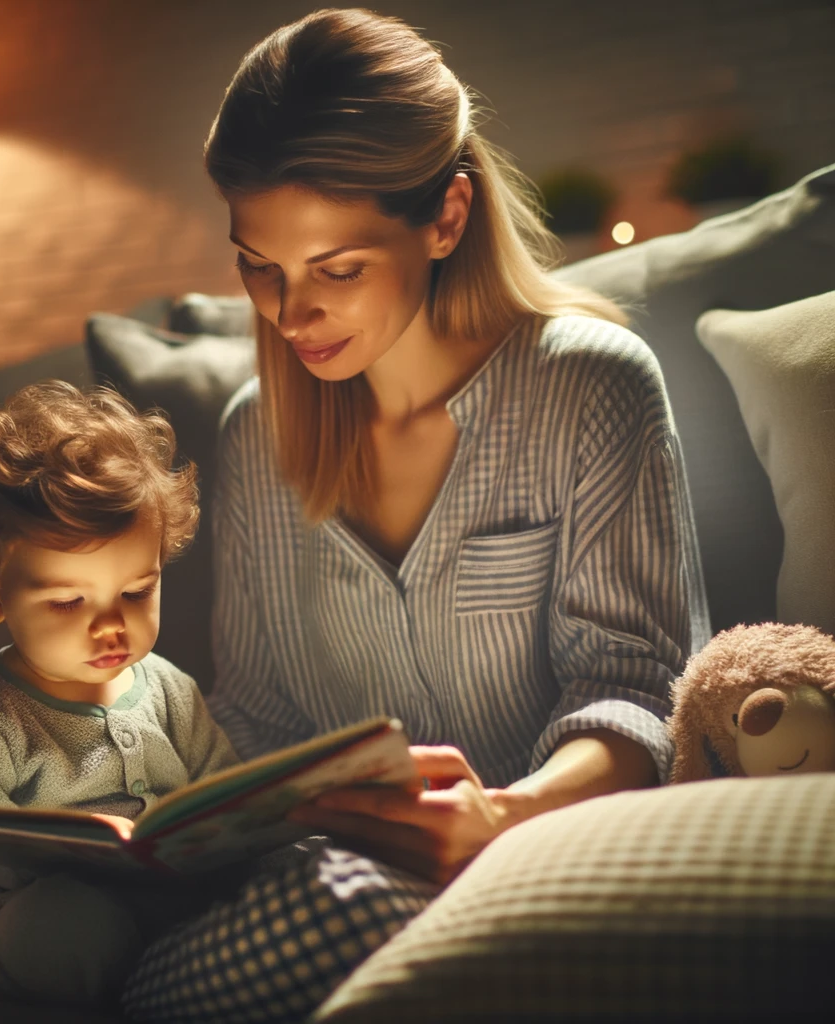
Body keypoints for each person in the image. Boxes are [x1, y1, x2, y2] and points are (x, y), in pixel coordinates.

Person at [194, 6, 710, 888]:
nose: (289, 314)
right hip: (320, 876)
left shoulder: (593, 387)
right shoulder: (255, 434)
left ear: (446, 217)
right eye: (259, 266)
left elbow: (638, 688)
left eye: (338, 269)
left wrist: (502, 819)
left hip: (548, 860)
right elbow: (255, 716)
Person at [0, 381, 434, 1021]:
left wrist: (270, 833)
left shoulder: (168, 688)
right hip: (36, 918)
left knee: (310, 862)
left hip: (175, 896)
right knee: (66, 924)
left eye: (136, 591)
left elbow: (224, 798)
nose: (111, 626)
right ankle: (161, 988)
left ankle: (204, 964)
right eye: (69, 602)